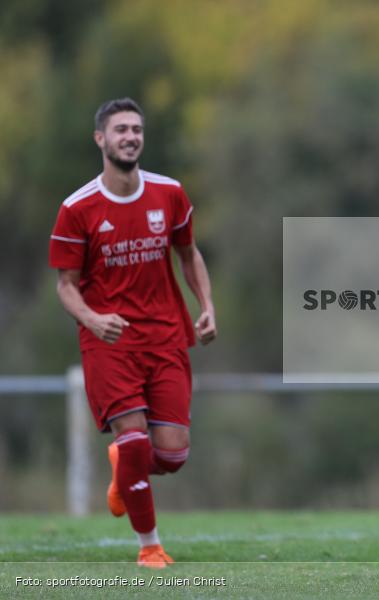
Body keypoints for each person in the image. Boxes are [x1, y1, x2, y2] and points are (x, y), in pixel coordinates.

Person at [49, 98, 216, 569]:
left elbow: (189, 255)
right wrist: (92, 319)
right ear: (101, 139)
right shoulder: (77, 208)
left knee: (173, 454)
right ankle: (150, 546)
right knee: (135, 440)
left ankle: (124, 468)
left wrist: (207, 307)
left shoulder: (169, 193)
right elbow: (65, 286)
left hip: (165, 335)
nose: (130, 136)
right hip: (110, 342)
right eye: (120, 129)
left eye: (136, 129)